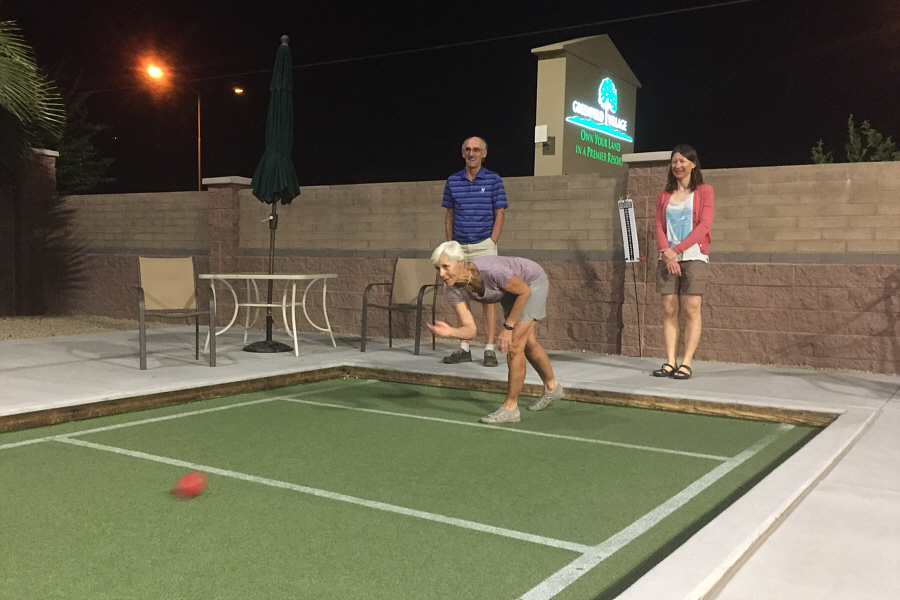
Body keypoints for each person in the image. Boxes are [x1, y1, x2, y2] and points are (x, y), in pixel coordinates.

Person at [427, 241, 564, 424]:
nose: (441, 274)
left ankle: (510, 408)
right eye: (438, 268)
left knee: (514, 345)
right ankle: (552, 387)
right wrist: (451, 331)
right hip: (510, 293)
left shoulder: (490, 270)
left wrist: (508, 327)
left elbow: (523, 291)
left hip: (531, 283)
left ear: (460, 263)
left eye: (445, 267)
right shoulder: (453, 290)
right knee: (527, 343)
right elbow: (471, 330)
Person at [440, 136, 508, 368]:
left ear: (484, 154)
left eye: (476, 150)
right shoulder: (453, 181)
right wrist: (451, 246)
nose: (472, 153)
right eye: (468, 150)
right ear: (463, 154)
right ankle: (464, 347)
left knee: (488, 297)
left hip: (484, 246)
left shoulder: (493, 180)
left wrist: (492, 240)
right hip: (459, 248)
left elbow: (500, 212)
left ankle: (489, 349)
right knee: (460, 296)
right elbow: (449, 215)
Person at [652, 144, 714, 380]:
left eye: (682, 161)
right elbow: (658, 225)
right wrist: (667, 253)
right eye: (674, 161)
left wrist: (676, 250)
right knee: (669, 309)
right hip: (667, 258)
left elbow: (704, 226)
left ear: (693, 164)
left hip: (694, 257)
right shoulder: (663, 195)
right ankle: (670, 361)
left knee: (691, 309)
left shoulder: (705, 191)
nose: (678, 165)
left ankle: (686, 362)